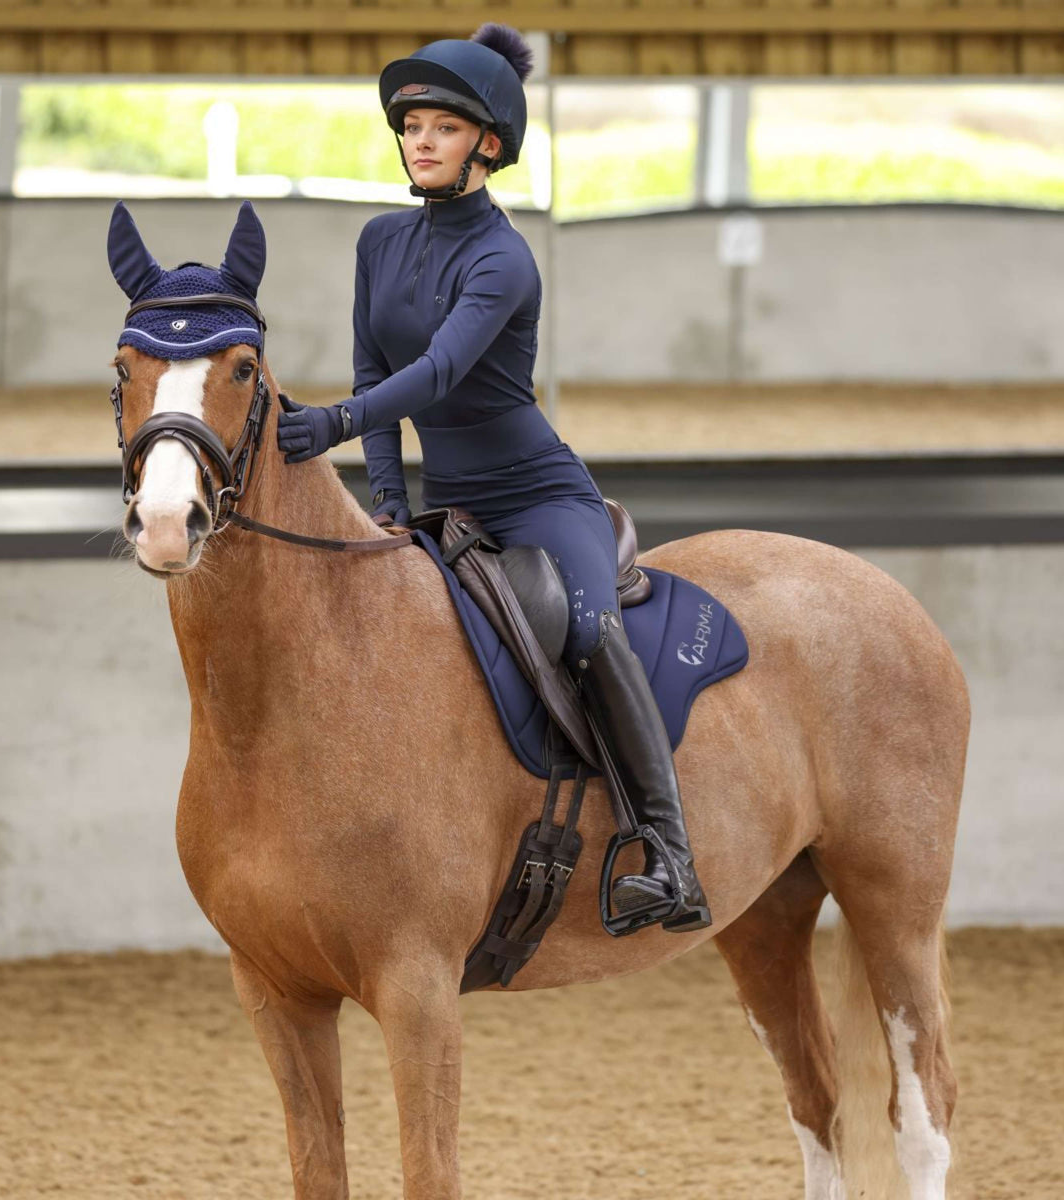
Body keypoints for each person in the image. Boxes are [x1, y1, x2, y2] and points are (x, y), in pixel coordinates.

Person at [276, 24, 710, 933]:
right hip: (453, 501)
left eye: (441, 127)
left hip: (541, 495)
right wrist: (388, 504)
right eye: (412, 125)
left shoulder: (505, 258)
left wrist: (329, 430)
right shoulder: (378, 243)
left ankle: (669, 857)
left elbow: (435, 375)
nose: (420, 140)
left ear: (488, 145)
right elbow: (373, 379)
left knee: (590, 633)